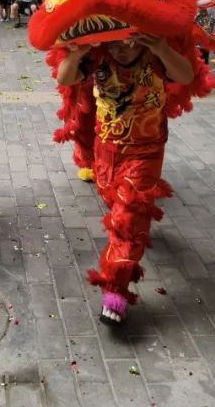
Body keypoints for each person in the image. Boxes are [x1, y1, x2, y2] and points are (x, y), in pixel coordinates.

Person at [55, 34, 194, 323]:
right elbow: (65, 78)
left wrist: (161, 46)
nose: (122, 49)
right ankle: (133, 232)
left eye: (129, 42)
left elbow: (186, 75)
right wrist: (78, 52)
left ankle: (115, 290)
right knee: (115, 204)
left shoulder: (157, 55)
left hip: (146, 153)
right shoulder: (98, 55)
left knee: (127, 220)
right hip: (106, 150)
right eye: (115, 43)